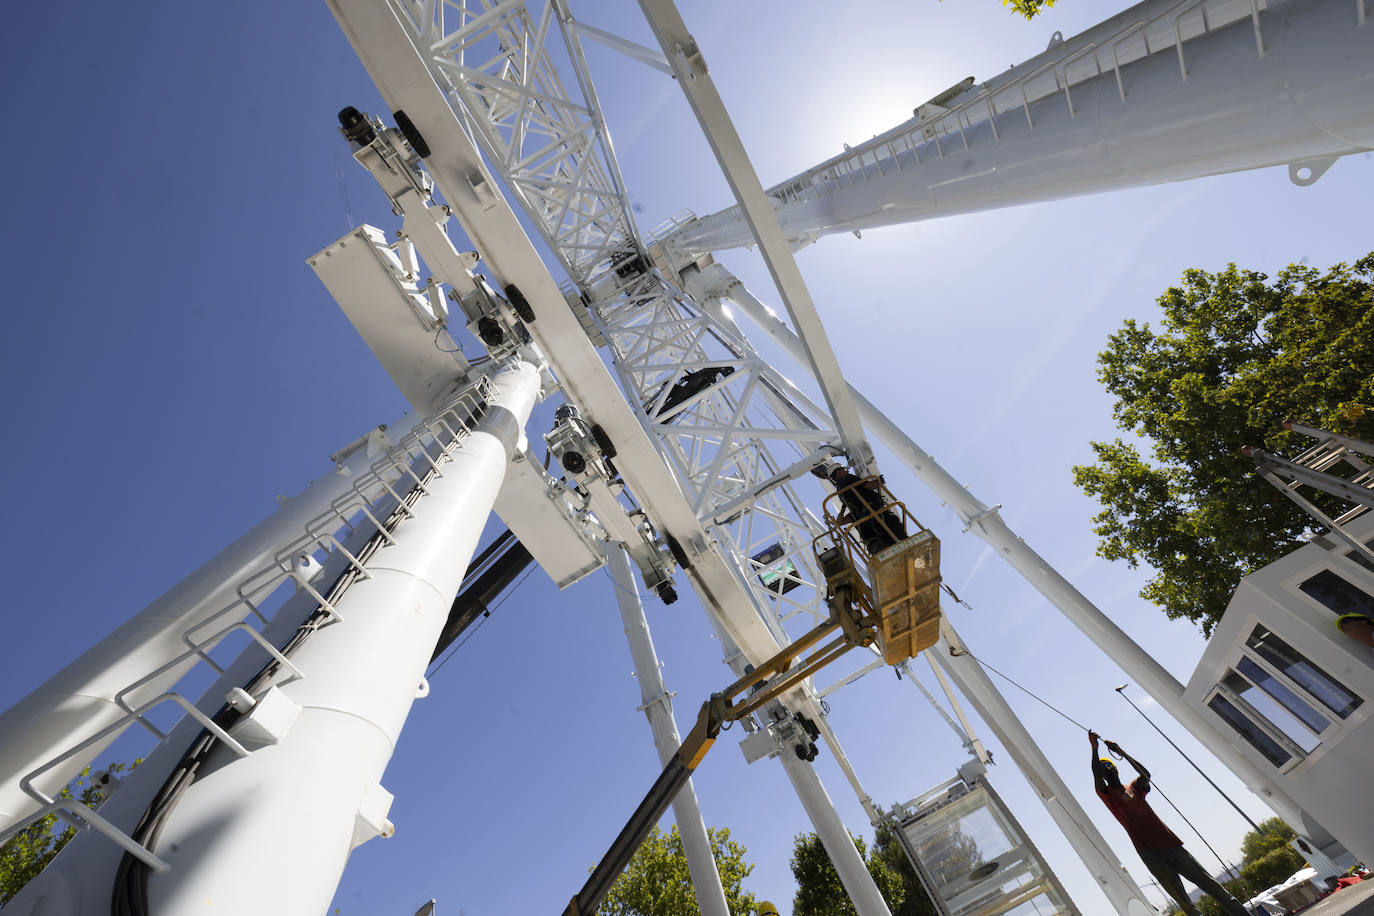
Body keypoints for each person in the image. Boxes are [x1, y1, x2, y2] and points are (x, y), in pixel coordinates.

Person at [1089, 731, 1251, 916]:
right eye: (1103, 769)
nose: (1106, 771)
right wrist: (1094, 748)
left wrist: (1122, 752)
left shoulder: (1134, 788)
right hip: (1151, 855)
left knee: (1213, 887)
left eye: (1108, 767)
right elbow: (1096, 776)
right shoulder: (1108, 795)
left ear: (1116, 769)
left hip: (1172, 846)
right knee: (1187, 905)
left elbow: (1145, 774)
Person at [826, 465, 906, 554]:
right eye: (843, 469)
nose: (847, 471)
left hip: (869, 531)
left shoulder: (841, 493)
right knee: (897, 532)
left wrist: (843, 507)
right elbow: (868, 486)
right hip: (878, 515)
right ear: (837, 472)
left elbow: (839, 523)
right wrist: (878, 482)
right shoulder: (848, 478)